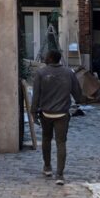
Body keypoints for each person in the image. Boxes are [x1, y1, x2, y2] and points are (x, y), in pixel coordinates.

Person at [30, 50, 83, 184]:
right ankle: (59, 174)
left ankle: (47, 167)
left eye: (46, 56)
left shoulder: (41, 73)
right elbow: (77, 92)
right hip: (62, 113)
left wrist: (33, 111)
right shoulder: (69, 73)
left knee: (46, 139)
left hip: (46, 112)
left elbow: (36, 94)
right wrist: (78, 101)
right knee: (61, 142)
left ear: (50, 58)